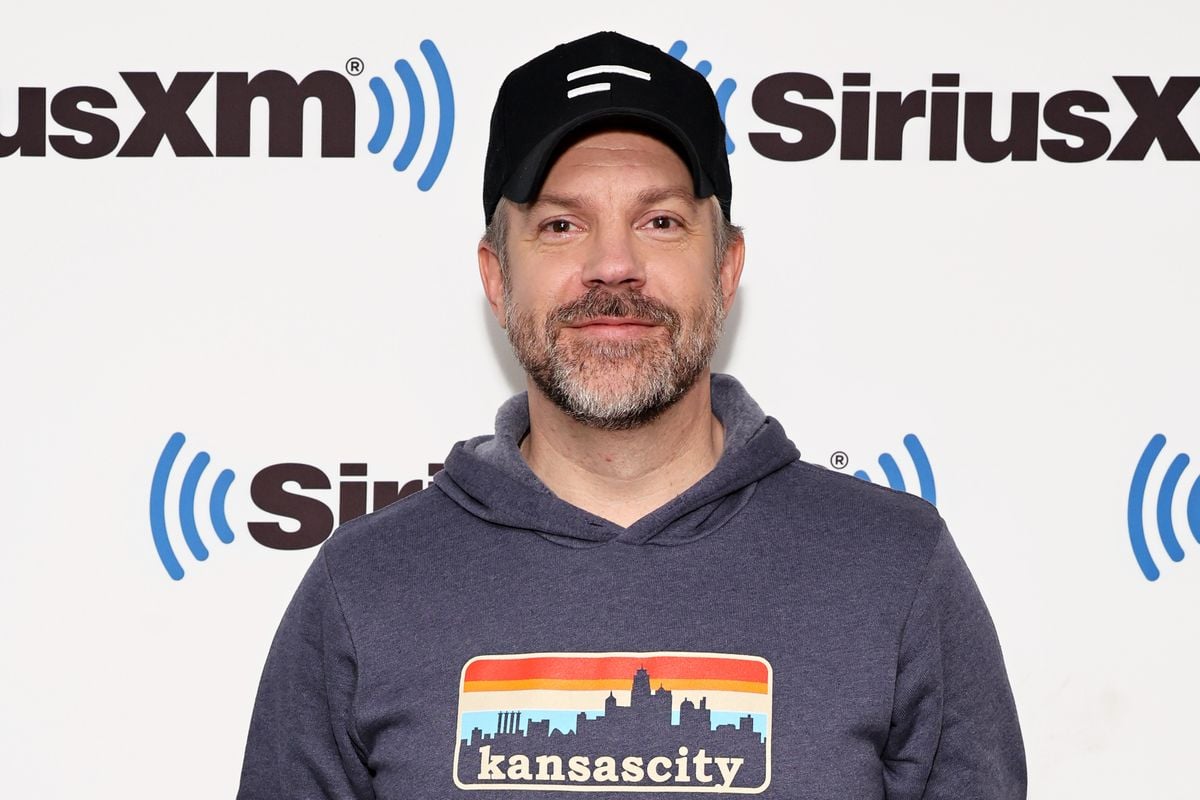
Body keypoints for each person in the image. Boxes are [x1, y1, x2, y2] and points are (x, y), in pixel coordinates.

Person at [237, 31, 1026, 798]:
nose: (613, 265)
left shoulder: (895, 567)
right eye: (561, 224)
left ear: (725, 269)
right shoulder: (365, 586)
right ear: (497, 277)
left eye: (659, 221)